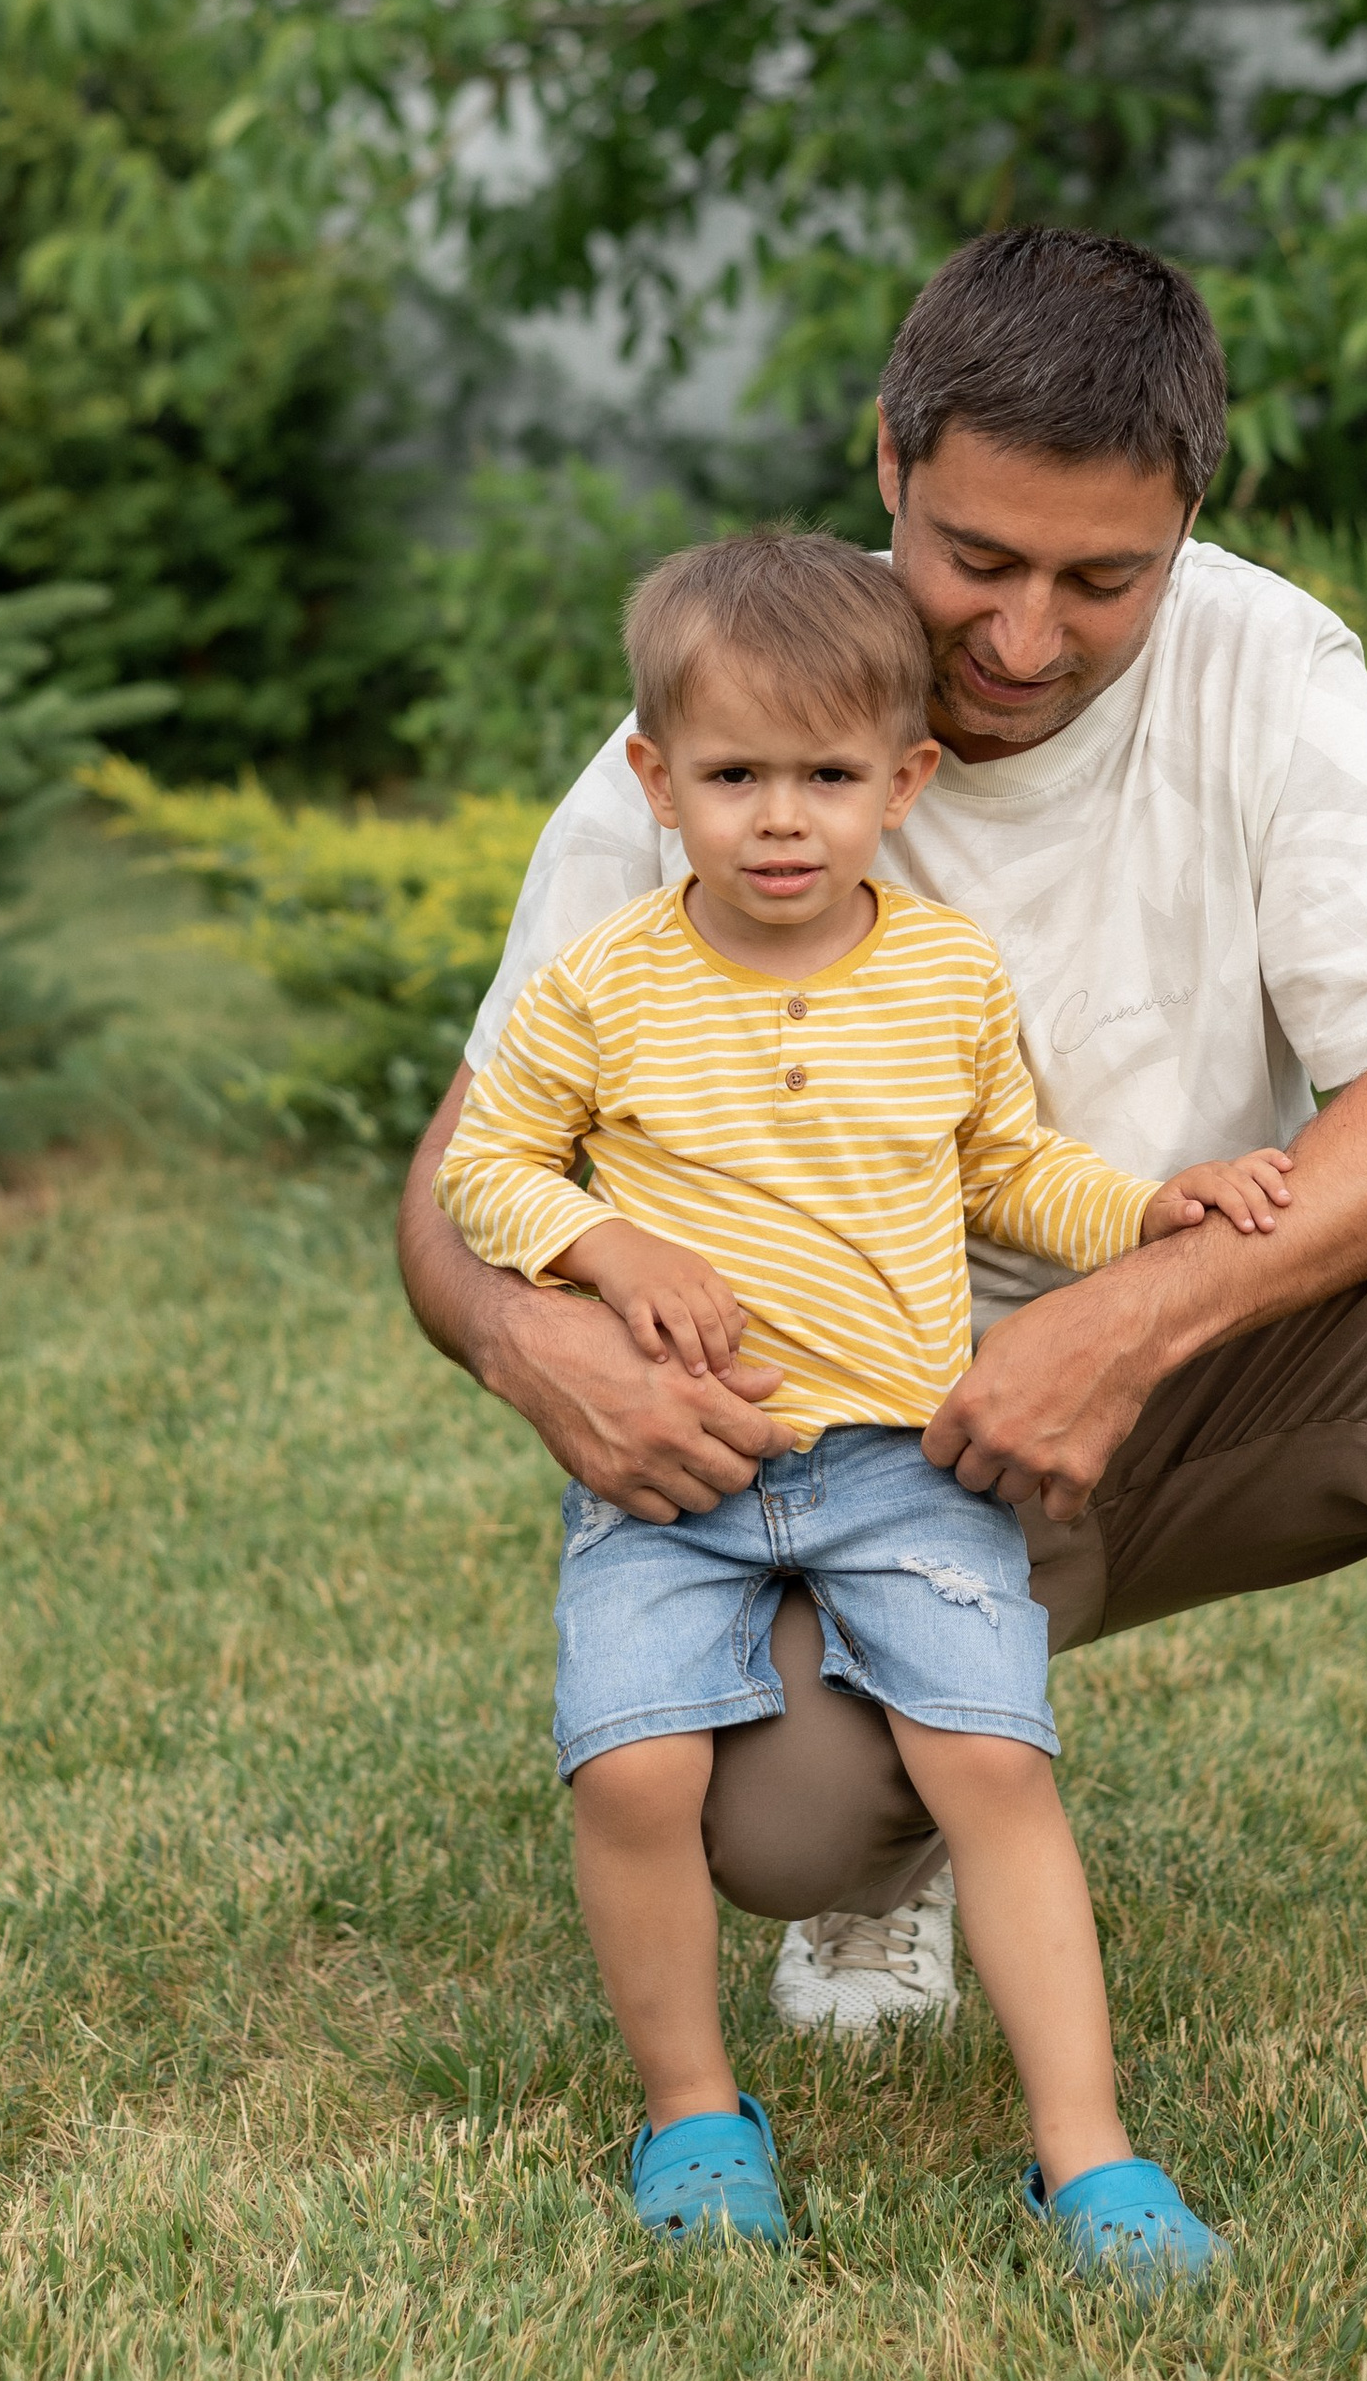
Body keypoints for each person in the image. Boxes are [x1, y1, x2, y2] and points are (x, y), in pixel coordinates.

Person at [400, 228, 1367, 2255]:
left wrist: (1130, 1319)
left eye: (1102, 580)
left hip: (1195, 1375)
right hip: (843, 1451)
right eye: (976, 558)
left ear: (1187, 528)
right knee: (774, 1829)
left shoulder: (1265, 670)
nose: (1023, 636)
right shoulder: (728, 719)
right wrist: (533, 1344)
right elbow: (456, 1179)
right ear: (887, 462)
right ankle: (884, 1863)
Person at [436, 530, 1290, 2267]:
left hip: (904, 1463)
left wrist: (1148, 1211)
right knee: (633, 1773)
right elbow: (487, 1171)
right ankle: (693, 2117)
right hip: (683, 1472)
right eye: (733, 776)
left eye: (826, 778)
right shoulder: (605, 984)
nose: (780, 820)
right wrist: (606, 1247)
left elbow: (1011, 1173)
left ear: (902, 784)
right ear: (655, 780)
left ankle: (1088, 2156)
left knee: (992, 1760)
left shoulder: (944, 975)